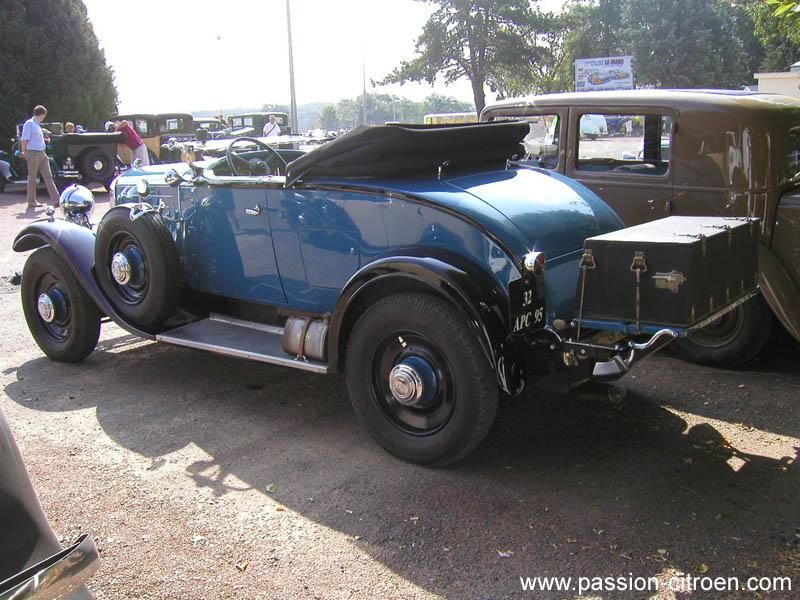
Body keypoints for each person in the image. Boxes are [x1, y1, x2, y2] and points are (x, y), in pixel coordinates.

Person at [20, 105, 60, 209]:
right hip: (33, 153)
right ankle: (31, 201)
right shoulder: (29, 124)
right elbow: (24, 139)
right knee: (32, 178)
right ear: (42, 114)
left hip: (42, 153)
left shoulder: (37, 125)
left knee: (48, 176)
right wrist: (24, 152)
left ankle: (57, 200)